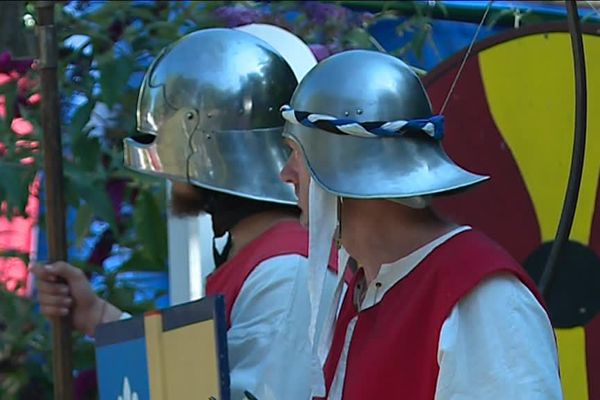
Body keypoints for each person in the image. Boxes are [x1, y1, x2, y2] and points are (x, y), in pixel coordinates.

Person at [31, 27, 339, 400]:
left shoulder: (285, 274)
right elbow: (200, 382)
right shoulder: (260, 258)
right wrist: (97, 317)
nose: (168, 177)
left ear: (209, 155)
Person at [279, 50, 563, 399]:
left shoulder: (480, 299)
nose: (286, 174)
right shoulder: (363, 287)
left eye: (296, 154)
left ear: (340, 164)